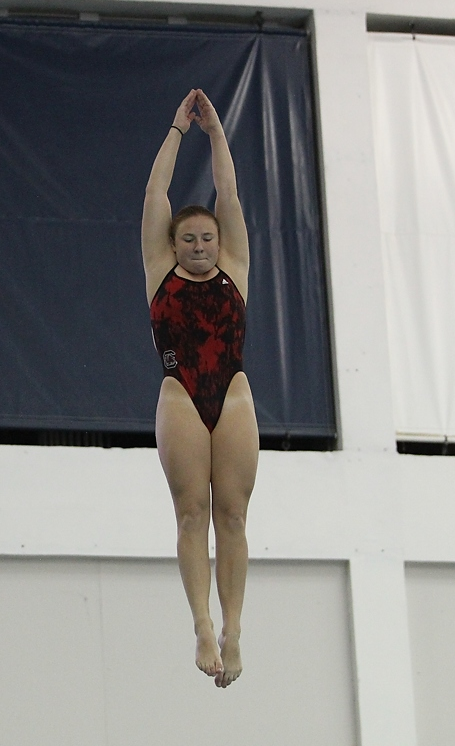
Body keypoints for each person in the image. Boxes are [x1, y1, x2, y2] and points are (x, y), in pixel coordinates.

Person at [141, 88, 258, 689]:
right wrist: (177, 131)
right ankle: (203, 625)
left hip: (232, 395)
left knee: (232, 516)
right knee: (193, 513)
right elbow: (155, 196)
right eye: (187, 239)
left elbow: (228, 195)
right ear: (172, 244)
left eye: (206, 239)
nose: (198, 247)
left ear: (220, 242)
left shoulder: (235, 266)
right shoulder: (160, 271)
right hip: (180, 396)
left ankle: (234, 630)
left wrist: (216, 134)